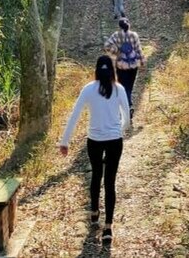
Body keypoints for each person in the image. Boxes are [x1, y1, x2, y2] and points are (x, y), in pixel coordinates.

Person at [60, 55, 130, 246]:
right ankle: (108, 228)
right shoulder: (119, 89)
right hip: (115, 140)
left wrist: (64, 142)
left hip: (95, 141)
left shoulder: (88, 90)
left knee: (96, 175)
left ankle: (94, 212)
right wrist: (119, 129)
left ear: (96, 70)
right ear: (113, 71)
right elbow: (127, 118)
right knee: (110, 182)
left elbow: (74, 115)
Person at [104, 17, 145, 120]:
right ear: (129, 25)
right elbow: (138, 49)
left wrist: (116, 52)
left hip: (121, 66)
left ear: (119, 26)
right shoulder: (134, 35)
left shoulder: (116, 36)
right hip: (133, 65)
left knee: (123, 87)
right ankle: (129, 106)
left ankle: (127, 107)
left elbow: (107, 46)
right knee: (129, 87)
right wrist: (142, 61)